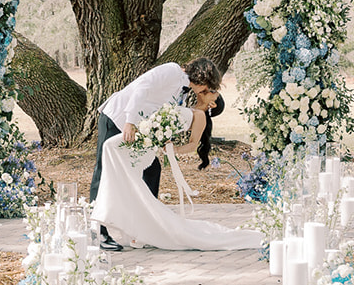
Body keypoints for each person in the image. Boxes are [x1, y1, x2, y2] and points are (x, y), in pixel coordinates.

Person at [90, 91, 263, 252]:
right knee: (123, 165)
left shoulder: (200, 115)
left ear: (213, 105)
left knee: (119, 156)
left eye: (210, 92)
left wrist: (173, 149)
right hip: (144, 137)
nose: (204, 91)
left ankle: (129, 224)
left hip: (146, 140)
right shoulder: (187, 103)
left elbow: (193, 144)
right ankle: (123, 222)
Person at [89, 58, 221, 250]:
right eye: (207, 88)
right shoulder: (172, 71)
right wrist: (130, 121)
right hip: (118, 118)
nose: (206, 92)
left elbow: (160, 110)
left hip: (135, 128)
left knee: (152, 169)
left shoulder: (182, 92)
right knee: (103, 171)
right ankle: (97, 233)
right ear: (201, 79)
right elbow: (141, 88)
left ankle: (144, 228)